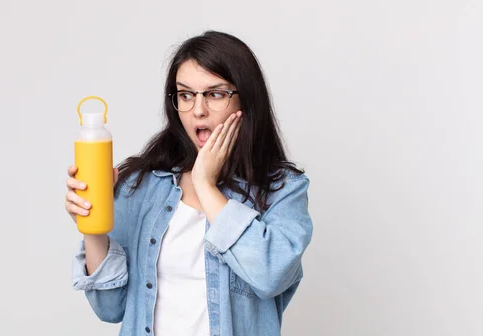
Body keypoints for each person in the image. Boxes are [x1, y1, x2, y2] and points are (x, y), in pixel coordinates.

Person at [64, 30, 313, 336]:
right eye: (186, 95)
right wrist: (94, 231)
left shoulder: (282, 189)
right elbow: (110, 308)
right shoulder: (141, 185)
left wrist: (206, 186)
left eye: (215, 94)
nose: (198, 110)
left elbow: (271, 275)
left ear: (246, 100)